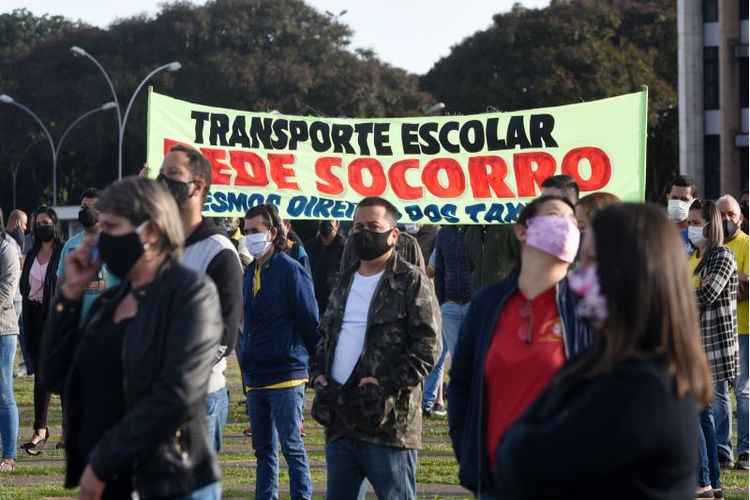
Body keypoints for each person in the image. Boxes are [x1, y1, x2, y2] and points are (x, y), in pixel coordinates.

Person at [492, 203, 713, 500]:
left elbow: (524, 462)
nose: (578, 276)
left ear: (633, 274)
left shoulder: (642, 386)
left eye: (592, 261)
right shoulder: (602, 361)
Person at [41, 177, 223, 500]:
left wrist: (101, 463)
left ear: (150, 232)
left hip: (170, 482)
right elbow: (55, 374)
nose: (99, 238)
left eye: (110, 227)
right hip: (114, 482)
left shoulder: (191, 294)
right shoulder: (108, 303)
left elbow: (175, 395)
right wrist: (68, 295)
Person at [448, 195, 593, 498]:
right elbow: (461, 385)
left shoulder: (587, 308)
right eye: (556, 216)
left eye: (573, 222)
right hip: (496, 481)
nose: (567, 228)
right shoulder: (488, 304)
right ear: (522, 231)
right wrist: (469, 455)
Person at [310, 196, 441, 500]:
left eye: (373, 226)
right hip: (340, 419)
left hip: (388, 426)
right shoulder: (345, 280)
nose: (363, 234)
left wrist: (387, 383)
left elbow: (428, 347)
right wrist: (318, 374)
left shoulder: (411, 281)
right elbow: (326, 334)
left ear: (394, 234)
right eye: (357, 227)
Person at [158, 145, 243, 453]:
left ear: (198, 186)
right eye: (161, 173)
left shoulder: (218, 251)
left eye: (173, 174)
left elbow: (225, 335)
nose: (162, 182)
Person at [237, 204, 319, 500]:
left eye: (255, 231)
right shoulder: (249, 273)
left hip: (286, 373)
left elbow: (310, 321)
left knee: (292, 447)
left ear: (272, 232)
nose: (250, 237)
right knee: (264, 452)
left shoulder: (290, 271)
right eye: (246, 232)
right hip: (256, 376)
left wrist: (316, 368)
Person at [688, 199, 738, 498]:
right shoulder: (697, 255)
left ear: (711, 224)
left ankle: (703, 481)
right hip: (694, 345)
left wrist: (675, 290)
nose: (691, 228)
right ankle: (713, 483)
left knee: (696, 413)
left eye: (696, 222)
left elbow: (706, 293)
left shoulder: (722, 256)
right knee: (703, 415)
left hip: (713, 346)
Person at [19, 206, 63, 455]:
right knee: (41, 375)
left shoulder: (62, 251)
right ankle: (40, 429)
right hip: (34, 317)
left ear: (54, 225)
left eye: (46, 222)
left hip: (56, 317)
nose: (41, 226)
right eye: (38, 223)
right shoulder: (33, 251)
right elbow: (26, 286)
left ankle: (69, 431)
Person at [714, 194, 749, 470]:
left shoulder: (747, 245)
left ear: (741, 217)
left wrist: (720, 286)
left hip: (744, 328)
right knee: (719, 392)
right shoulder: (707, 248)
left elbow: (745, 289)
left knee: (743, 391)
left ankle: (745, 452)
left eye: (731, 214)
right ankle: (723, 452)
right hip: (717, 331)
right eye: (721, 214)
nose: (726, 219)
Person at [422, 225, 472, 417]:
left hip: (471, 302)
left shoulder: (475, 231)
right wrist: (442, 300)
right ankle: (461, 406)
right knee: (458, 358)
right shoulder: (444, 233)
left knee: (468, 356)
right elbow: (436, 268)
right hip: (450, 304)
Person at [57, 188, 119, 321]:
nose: (87, 211)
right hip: (76, 321)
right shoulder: (70, 245)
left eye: (93, 207)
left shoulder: (115, 242)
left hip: (107, 320)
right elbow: (60, 284)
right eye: (84, 207)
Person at [0, 209, 21, 472]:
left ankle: (9, 455)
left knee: (4, 392)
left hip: (3, 330)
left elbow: (7, 290)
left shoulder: (7, 249)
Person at [340, 226, 426, 272]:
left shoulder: (409, 244)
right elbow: (343, 279)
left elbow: (421, 285)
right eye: (360, 226)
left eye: (374, 225)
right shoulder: (353, 241)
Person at [306, 220, 346, 317]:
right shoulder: (310, 246)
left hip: (335, 308)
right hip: (314, 305)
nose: (325, 221)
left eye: (329, 219)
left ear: (337, 223)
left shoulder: (345, 248)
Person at [665, 175, 698, 255]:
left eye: (684, 199)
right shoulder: (657, 231)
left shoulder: (698, 235)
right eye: (674, 198)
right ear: (667, 197)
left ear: (693, 201)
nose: (678, 203)